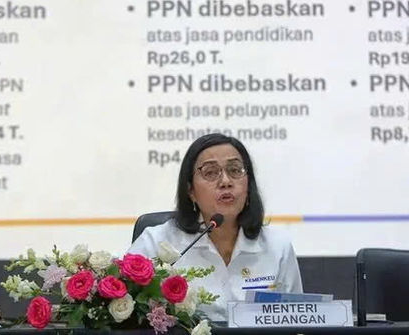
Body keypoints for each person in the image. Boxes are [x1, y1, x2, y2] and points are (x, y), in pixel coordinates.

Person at [129, 133, 303, 321]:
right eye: (211, 172)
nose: (226, 181)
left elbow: (296, 321)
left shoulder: (278, 247)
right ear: (190, 191)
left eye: (235, 170)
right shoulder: (156, 242)